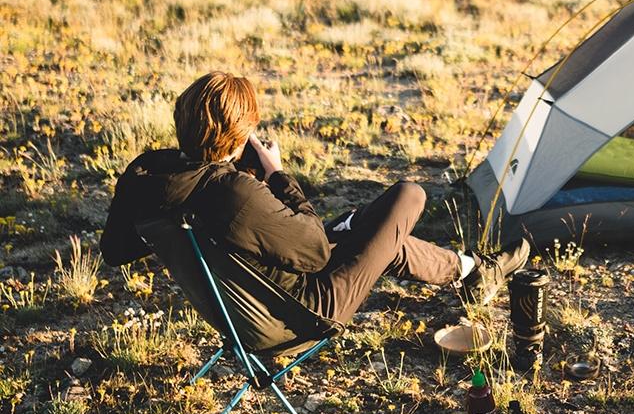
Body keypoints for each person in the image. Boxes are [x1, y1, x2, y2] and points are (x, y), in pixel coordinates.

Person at [100, 71, 529, 322]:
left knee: (370, 230)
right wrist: (278, 176)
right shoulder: (234, 194)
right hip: (303, 310)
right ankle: (475, 271)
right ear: (234, 137)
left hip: (246, 307)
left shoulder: (154, 176)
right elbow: (317, 252)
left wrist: (239, 171)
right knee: (408, 196)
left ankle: (472, 272)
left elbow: (116, 249)